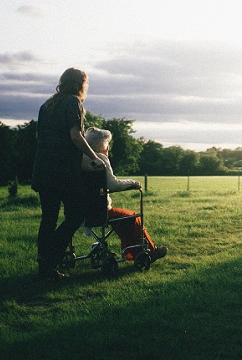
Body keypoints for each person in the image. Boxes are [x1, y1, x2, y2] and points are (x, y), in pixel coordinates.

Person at [32, 68, 106, 280]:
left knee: (49, 218)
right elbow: (75, 135)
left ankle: (44, 267)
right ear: (80, 84)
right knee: (75, 216)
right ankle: (49, 258)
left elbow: (39, 136)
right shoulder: (73, 102)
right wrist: (94, 157)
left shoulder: (46, 105)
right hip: (63, 170)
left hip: (43, 168)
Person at [81, 127, 167, 262]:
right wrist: (133, 183)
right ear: (100, 144)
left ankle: (132, 253)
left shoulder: (80, 159)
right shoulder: (100, 158)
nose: (108, 148)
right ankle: (150, 251)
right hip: (99, 211)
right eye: (107, 144)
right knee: (132, 217)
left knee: (123, 218)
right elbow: (113, 185)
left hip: (81, 211)